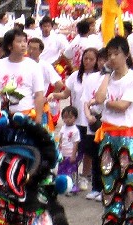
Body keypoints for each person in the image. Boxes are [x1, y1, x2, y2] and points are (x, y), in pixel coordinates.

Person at [90, 36, 133, 225]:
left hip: (127, 136)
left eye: (117, 53)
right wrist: (106, 76)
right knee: (109, 179)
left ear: (126, 54)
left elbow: (122, 105)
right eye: (109, 54)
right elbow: (97, 101)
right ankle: (112, 218)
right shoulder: (106, 78)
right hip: (108, 134)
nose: (113, 58)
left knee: (132, 181)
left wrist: (105, 102)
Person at [50, 47, 99, 192]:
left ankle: (85, 175)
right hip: (76, 120)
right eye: (85, 59)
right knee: (74, 148)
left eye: (91, 59)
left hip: (90, 120)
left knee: (89, 150)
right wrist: (54, 95)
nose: (88, 62)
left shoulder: (99, 77)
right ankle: (71, 175)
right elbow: (65, 94)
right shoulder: (76, 76)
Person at [0, 29, 44, 122]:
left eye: (25, 41)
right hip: (1, 117)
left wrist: (38, 118)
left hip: (26, 117)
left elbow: (39, 94)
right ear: (10, 46)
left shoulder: (33, 66)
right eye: (19, 41)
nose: (23, 45)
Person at [82, 48, 109, 201]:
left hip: (107, 123)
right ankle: (96, 187)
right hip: (93, 122)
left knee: (106, 156)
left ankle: (106, 188)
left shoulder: (113, 78)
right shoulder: (92, 78)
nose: (102, 63)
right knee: (94, 154)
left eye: (106, 60)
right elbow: (86, 100)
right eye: (101, 60)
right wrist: (88, 115)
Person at [57, 106, 80, 194]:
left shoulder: (75, 130)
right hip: (63, 153)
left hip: (70, 154)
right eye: (65, 117)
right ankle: (62, 187)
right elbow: (61, 138)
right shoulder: (63, 128)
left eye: (70, 117)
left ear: (75, 118)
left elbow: (75, 143)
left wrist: (73, 155)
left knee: (71, 171)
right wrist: (59, 146)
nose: (68, 120)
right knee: (62, 170)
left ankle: (72, 187)